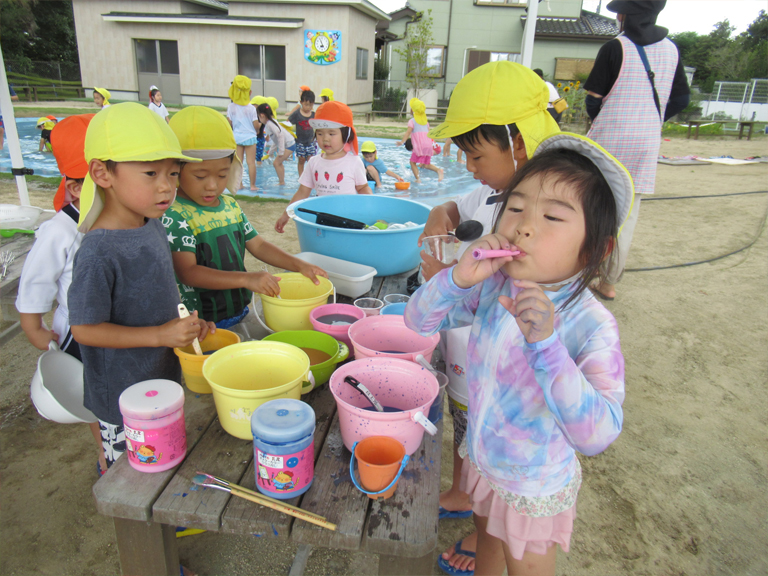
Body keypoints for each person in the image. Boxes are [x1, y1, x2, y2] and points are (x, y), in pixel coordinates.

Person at [405, 131, 632, 576]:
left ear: (595, 248)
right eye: (515, 206)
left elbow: (598, 433)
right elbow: (417, 323)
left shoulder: (591, 325)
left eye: (552, 216)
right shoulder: (493, 285)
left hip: (532, 487)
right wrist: (456, 279)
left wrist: (545, 346)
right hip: (485, 460)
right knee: (487, 547)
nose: (524, 225)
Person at [420, 60, 561, 576]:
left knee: (514, 516)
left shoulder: (546, 215)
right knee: (484, 481)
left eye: (476, 155)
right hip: (484, 379)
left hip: (518, 400)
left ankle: (487, 545)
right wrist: (441, 217)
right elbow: (461, 205)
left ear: (518, 143)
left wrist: (455, 277)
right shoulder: (492, 191)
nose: (470, 167)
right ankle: (482, 539)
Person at [67, 102, 213, 469]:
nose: (167, 187)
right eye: (150, 173)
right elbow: (84, 328)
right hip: (120, 393)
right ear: (102, 173)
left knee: (164, 453)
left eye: (174, 174)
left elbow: (162, 292)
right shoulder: (99, 251)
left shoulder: (152, 224)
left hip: (160, 375)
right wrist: (160, 335)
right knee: (129, 469)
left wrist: (186, 329)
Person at [165, 105, 326, 327]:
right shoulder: (174, 217)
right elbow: (188, 273)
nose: (212, 186)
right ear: (174, 171)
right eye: (200, 176)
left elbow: (258, 245)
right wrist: (246, 278)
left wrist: (298, 265)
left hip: (239, 310)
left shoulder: (230, 205)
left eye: (222, 175)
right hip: (201, 323)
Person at [15, 113, 106, 473]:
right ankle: (106, 455)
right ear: (74, 188)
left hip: (120, 328)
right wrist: (33, 325)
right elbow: (36, 280)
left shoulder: (121, 221)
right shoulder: (60, 230)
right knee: (93, 396)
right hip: (79, 335)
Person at [584, 0, 689, 301]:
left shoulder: (615, 47)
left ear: (628, 14)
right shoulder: (672, 50)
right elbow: (681, 99)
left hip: (610, 138)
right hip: (646, 140)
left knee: (595, 204)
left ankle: (589, 267)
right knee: (627, 213)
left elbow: (593, 100)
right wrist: (650, 119)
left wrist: (605, 118)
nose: (617, 16)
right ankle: (609, 282)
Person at [275, 101, 372, 233]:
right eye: (320, 134)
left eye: (332, 134)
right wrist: (286, 214)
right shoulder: (314, 162)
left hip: (347, 219)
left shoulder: (354, 162)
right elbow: (303, 192)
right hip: (322, 219)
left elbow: (363, 189)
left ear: (346, 134)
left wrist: (372, 211)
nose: (325, 139)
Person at [397, 98, 444, 183]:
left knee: (412, 162)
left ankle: (418, 179)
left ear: (412, 110)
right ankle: (438, 170)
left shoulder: (412, 121)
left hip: (419, 146)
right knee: (425, 165)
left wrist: (402, 142)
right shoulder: (426, 122)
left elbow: (408, 132)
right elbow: (429, 133)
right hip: (428, 144)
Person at [257, 102, 296, 185]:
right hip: (290, 144)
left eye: (258, 116)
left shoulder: (269, 124)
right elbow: (276, 140)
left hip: (289, 144)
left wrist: (281, 151)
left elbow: (280, 135)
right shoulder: (271, 122)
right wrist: (270, 153)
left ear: (262, 115)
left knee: (276, 163)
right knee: (278, 163)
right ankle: (282, 181)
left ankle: (282, 182)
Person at [288, 90, 318, 177]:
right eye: (306, 105)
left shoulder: (313, 115)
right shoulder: (297, 114)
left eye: (310, 105)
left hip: (310, 141)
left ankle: (311, 177)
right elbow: (288, 123)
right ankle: (301, 178)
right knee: (301, 160)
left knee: (311, 160)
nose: (308, 107)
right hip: (300, 141)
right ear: (301, 103)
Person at [250, 95, 268, 165]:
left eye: (253, 106)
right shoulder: (256, 115)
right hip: (255, 138)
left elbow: (258, 127)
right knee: (253, 157)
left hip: (259, 139)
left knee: (258, 158)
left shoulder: (260, 116)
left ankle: (259, 169)